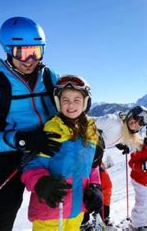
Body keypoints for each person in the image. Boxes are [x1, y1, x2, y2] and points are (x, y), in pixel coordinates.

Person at [0, 16, 61, 230]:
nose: (29, 59)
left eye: (35, 51)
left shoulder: (51, 78)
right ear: (8, 50)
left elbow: (72, 110)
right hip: (13, 152)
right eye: (21, 52)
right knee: (1, 214)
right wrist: (20, 140)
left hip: (49, 144)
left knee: (68, 197)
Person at [21, 75, 103, 230]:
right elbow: (31, 167)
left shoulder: (91, 133)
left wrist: (95, 186)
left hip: (77, 210)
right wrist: (41, 183)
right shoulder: (51, 130)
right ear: (58, 103)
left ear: (85, 103)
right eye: (65, 100)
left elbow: (93, 167)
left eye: (76, 100)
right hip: (50, 209)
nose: (71, 105)